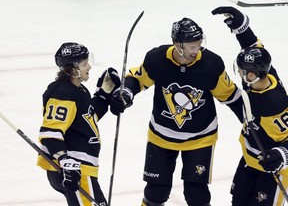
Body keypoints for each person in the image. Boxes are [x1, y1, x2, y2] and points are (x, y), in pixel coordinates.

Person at [110, 18, 243, 205]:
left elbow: (230, 96)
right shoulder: (156, 59)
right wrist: (125, 93)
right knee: (156, 192)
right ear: (177, 44)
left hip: (201, 137)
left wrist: (253, 122)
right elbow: (137, 79)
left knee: (197, 194)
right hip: (161, 135)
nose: (196, 50)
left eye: (198, 45)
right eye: (191, 46)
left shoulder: (211, 64)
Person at [212, 6, 288, 206]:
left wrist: (280, 155)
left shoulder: (274, 104)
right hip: (250, 160)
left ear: (253, 74)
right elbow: (254, 47)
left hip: (274, 170)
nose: (240, 73)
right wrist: (241, 26)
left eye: (244, 71)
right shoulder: (262, 77)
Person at [37, 42, 120, 206]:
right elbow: (50, 134)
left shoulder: (79, 90)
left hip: (79, 168)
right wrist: (64, 160)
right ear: (72, 69)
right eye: (84, 63)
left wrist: (104, 95)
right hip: (75, 168)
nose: (89, 66)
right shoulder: (62, 92)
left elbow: (87, 119)